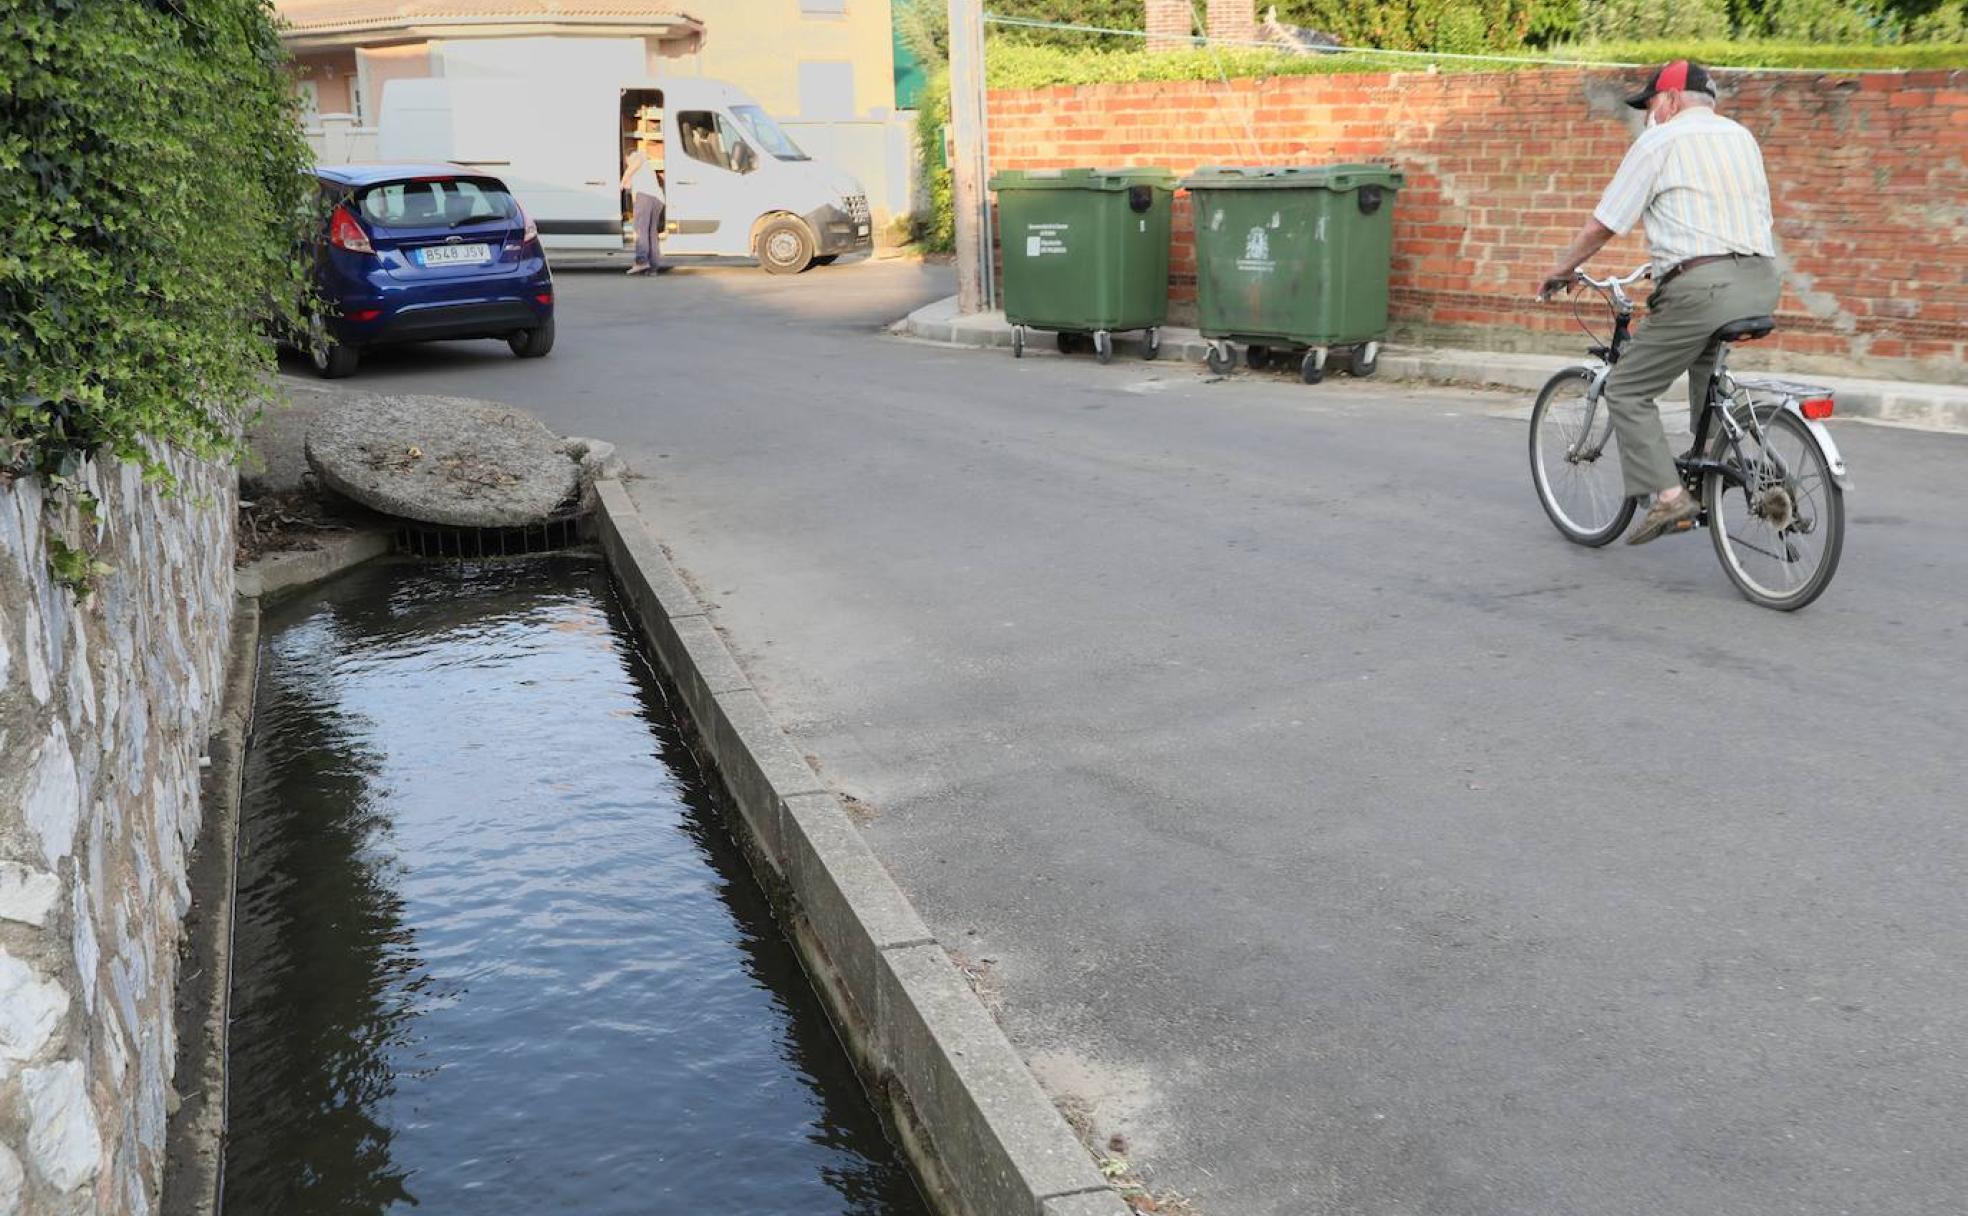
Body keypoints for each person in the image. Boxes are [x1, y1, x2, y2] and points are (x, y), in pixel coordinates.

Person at [1540, 61, 1780, 545]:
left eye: (1649, 104)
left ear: (1669, 100)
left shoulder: (1660, 140)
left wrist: (1562, 270)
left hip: (1701, 291)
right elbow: (1736, 215)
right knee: (1704, 370)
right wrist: (1673, 260)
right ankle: (1727, 468)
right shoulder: (1741, 138)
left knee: (1627, 388)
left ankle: (1671, 500)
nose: (1648, 115)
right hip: (1760, 280)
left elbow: (1602, 224)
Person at [621, 132, 671, 276]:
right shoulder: (642, 169)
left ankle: (641, 261)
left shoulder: (638, 155)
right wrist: (628, 183)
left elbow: (634, 165)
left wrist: (623, 179)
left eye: (626, 162)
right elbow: (630, 187)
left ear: (627, 157)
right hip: (657, 199)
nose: (627, 165)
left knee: (640, 230)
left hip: (646, 196)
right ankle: (653, 267)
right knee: (651, 233)